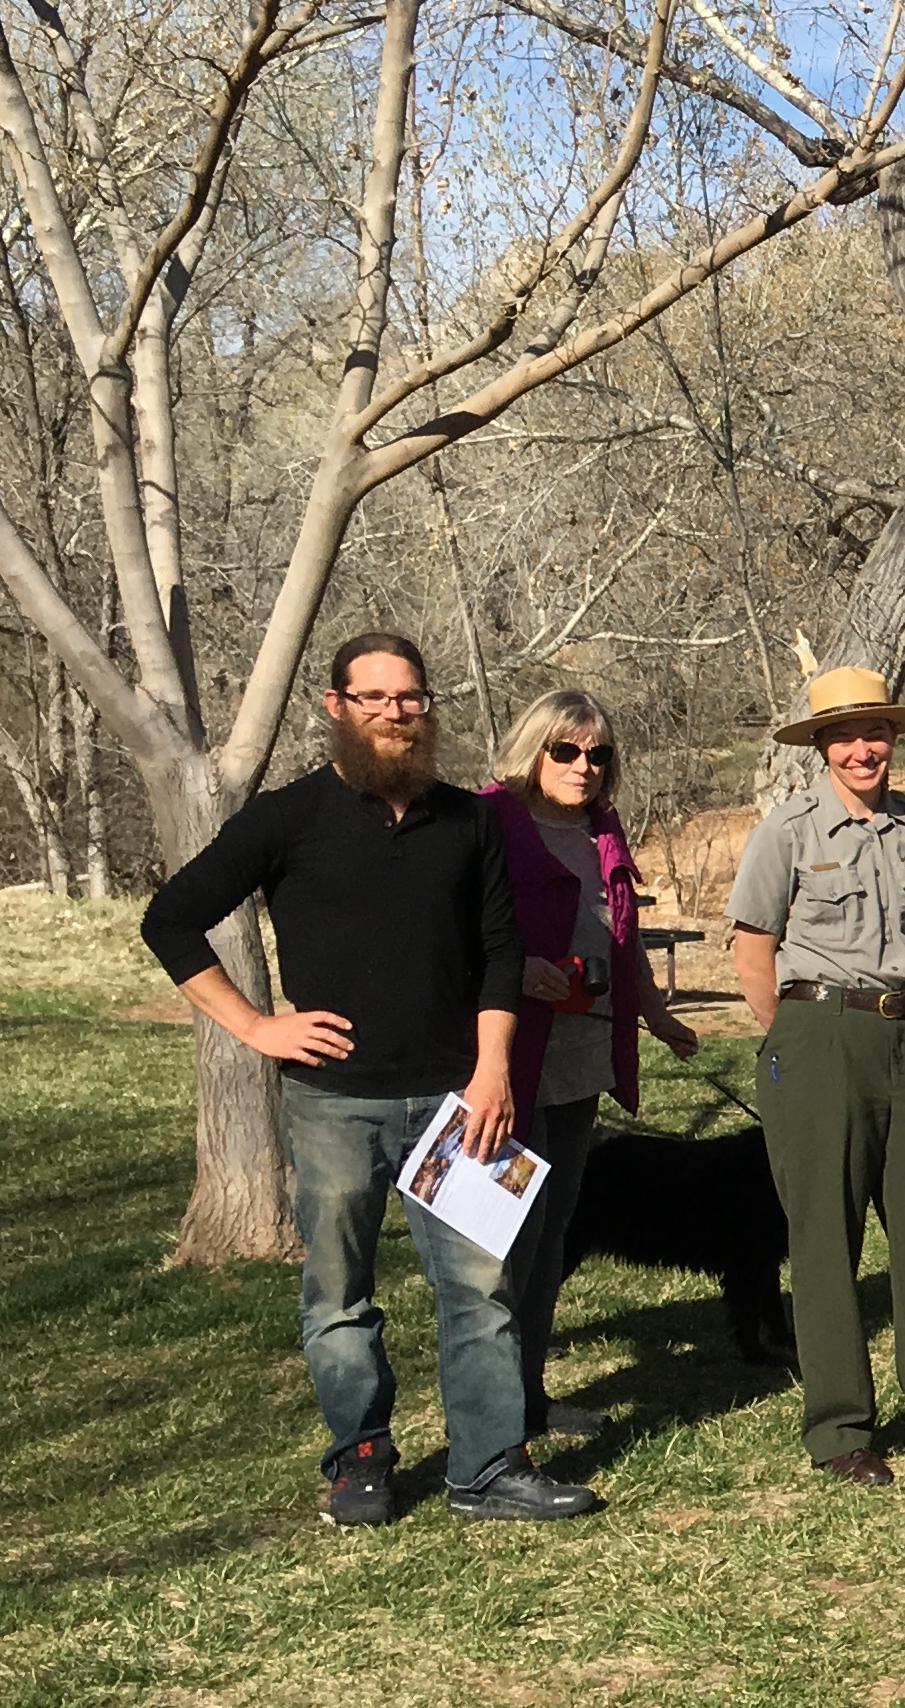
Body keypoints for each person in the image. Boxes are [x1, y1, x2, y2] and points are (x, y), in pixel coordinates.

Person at [142, 631, 594, 1527]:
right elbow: (172, 919)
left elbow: (503, 952)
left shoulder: (469, 821)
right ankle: (360, 1459)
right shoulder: (288, 818)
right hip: (332, 1106)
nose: (395, 714)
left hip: (461, 1105)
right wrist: (256, 1026)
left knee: (481, 1290)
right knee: (339, 1295)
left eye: (411, 698)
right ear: (335, 706)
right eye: (375, 698)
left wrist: (494, 1070)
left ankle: (488, 1466)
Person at [727, 665, 905, 1484]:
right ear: (820, 746)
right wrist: (793, 1038)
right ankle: (840, 1426)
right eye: (845, 736)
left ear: (895, 738)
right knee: (824, 1236)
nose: (863, 749)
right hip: (820, 1033)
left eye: (876, 733)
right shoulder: (788, 830)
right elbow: (753, 949)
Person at [481, 687, 703, 1439]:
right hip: (505, 1067)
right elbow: (449, 936)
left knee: (550, 1234)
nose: (584, 767)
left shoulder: (602, 833)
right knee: (498, 1240)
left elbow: (624, 938)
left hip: (579, 1065)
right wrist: (514, 971)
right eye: (566, 751)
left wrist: (656, 1013)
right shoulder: (489, 823)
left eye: (598, 754)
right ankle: (490, 1414)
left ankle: (530, 1396)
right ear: (533, 749)